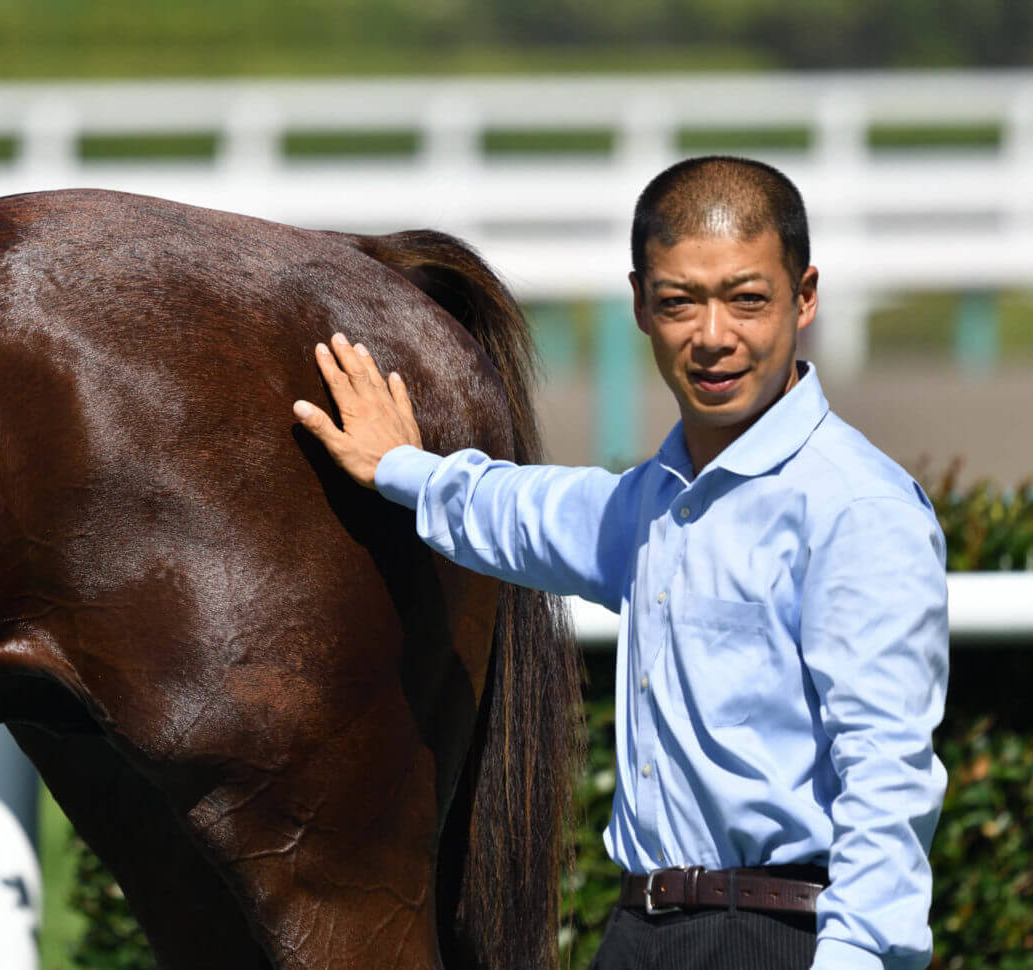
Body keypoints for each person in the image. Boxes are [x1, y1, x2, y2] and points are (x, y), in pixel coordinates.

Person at [291, 155, 948, 970]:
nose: (713, 337)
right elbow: (525, 513)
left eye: (747, 299)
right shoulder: (653, 504)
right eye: (679, 302)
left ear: (804, 297)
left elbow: (887, 773)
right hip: (640, 934)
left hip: (781, 941)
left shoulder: (858, 507)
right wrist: (401, 468)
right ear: (640, 304)